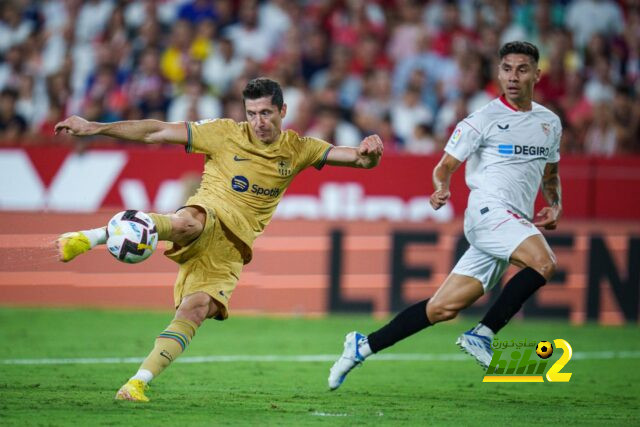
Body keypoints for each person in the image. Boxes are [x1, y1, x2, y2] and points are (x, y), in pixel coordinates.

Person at [54, 77, 383, 402]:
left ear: (283, 110)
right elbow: (156, 130)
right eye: (251, 113)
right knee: (189, 223)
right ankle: (90, 237)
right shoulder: (224, 132)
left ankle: (137, 383)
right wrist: (94, 127)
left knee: (194, 311)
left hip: (232, 250)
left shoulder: (299, 148)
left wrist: (371, 152)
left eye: (266, 113)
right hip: (207, 212)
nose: (258, 121)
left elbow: (358, 159)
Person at [328, 41, 562, 390]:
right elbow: (445, 166)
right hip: (488, 212)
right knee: (544, 262)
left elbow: (551, 174)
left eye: (522, 69)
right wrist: (441, 187)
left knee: (441, 309)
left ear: (536, 75)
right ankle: (483, 333)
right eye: (507, 69)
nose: (513, 77)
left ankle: (362, 346)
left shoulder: (549, 123)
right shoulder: (482, 119)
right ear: (498, 73)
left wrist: (555, 203)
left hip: (514, 222)